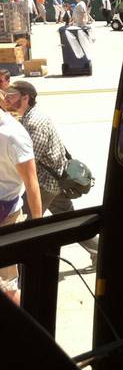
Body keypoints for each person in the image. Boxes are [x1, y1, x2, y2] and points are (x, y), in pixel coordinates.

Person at [5, 81, 98, 269]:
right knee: (71, 223)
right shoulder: (30, 116)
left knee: (23, 228)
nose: (7, 98)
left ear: (26, 98)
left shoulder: (34, 123)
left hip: (46, 186)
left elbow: (30, 161)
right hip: (56, 183)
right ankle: (101, 252)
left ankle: (23, 272)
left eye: (12, 95)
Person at [0, 104, 42, 306]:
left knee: (6, 285)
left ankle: (25, 330)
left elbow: (32, 183)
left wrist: (38, 227)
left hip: (5, 217)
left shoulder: (12, 135)